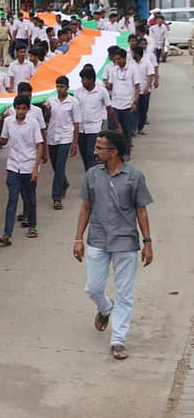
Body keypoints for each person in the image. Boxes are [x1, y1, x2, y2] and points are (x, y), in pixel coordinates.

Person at [73, 130, 153, 360]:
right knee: (93, 288)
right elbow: (86, 207)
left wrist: (147, 242)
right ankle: (106, 308)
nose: (95, 151)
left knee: (125, 293)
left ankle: (118, 339)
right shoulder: (92, 174)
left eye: (99, 148)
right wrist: (78, 238)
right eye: (96, 147)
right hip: (98, 238)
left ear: (114, 152)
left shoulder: (134, 176)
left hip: (126, 241)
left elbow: (141, 210)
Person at [0, 95, 44, 245]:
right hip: (13, 165)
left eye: (23, 108)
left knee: (30, 198)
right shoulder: (8, 122)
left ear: (28, 109)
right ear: (14, 108)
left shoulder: (33, 123)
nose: (21, 111)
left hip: (29, 165)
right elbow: (4, 139)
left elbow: (39, 145)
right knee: (12, 199)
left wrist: (35, 169)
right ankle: (7, 233)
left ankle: (32, 226)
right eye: (18, 108)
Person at [44, 75, 80, 210]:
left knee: (60, 165)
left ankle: (56, 197)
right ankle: (64, 182)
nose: (59, 89)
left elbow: (76, 123)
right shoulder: (51, 100)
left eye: (62, 87)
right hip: (53, 136)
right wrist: (47, 110)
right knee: (55, 165)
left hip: (66, 136)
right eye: (58, 86)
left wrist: (75, 143)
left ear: (67, 87)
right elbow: (47, 119)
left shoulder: (73, 102)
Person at [75, 65, 117, 171]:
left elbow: (109, 109)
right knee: (84, 155)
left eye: (84, 79)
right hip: (81, 129)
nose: (82, 82)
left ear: (91, 80)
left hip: (94, 128)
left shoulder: (102, 91)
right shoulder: (78, 92)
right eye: (81, 79)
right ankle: (89, 174)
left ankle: (92, 176)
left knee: (92, 155)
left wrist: (116, 125)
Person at [102, 48, 138, 159]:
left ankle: (126, 152)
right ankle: (115, 153)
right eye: (115, 59)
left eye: (118, 59)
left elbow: (137, 87)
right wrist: (106, 85)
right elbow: (111, 86)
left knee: (127, 131)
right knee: (114, 131)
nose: (116, 61)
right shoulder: (113, 70)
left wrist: (134, 102)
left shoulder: (132, 70)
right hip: (115, 105)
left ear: (124, 58)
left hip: (127, 105)